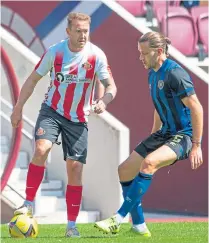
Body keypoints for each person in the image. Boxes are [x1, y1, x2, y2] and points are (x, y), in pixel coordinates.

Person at [10, 12, 117, 238]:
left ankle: (71, 226)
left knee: (75, 169)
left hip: (79, 118)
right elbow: (32, 80)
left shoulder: (96, 56)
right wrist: (18, 108)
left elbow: (111, 87)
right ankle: (28, 203)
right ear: (68, 31)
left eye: (85, 31)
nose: (82, 35)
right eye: (78, 31)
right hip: (52, 111)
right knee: (41, 149)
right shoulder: (55, 52)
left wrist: (103, 102)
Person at [94, 31, 203, 237]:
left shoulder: (175, 74)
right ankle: (139, 226)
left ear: (159, 51)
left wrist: (196, 144)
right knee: (125, 170)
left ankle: (118, 219)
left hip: (184, 135)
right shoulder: (153, 73)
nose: (140, 57)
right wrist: (153, 137)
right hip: (164, 133)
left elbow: (197, 107)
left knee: (149, 163)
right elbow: (159, 106)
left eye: (144, 53)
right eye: (139, 53)